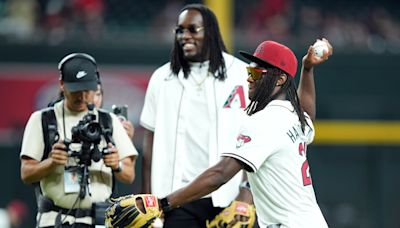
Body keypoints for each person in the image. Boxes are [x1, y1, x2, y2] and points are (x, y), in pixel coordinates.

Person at [140, 2, 329, 226]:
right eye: (249, 70)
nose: (249, 78)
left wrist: (162, 204)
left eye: (258, 73)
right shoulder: (291, 114)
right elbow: (307, 112)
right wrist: (307, 70)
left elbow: (220, 174)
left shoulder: (264, 122)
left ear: (279, 80)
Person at [20, 53, 138, 227]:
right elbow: (26, 174)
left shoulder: (107, 121)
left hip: (98, 220)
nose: (82, 96)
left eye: (87, 89)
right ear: (62, 84)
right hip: (55, 219)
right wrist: (51, 162)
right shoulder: (43, 119)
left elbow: (129, 175)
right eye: (75, 89)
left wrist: (116, 165)